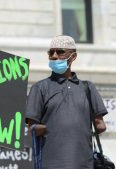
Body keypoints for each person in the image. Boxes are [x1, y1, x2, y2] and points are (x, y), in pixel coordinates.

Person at [25, 35, 107, 169]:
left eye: (60, 52)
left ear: (73, 56)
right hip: (50, 164)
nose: (54, 56)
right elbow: (32, 128)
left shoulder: (88, 87)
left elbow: (100, 126)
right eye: (51, 52)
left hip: (83, 164)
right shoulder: (39, 87)